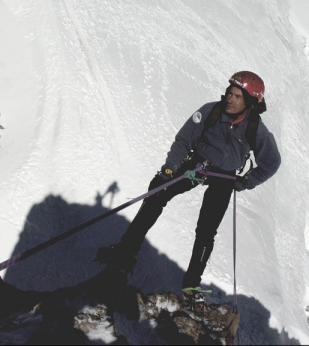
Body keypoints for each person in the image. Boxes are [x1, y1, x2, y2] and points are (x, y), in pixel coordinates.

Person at [96, 71, 281, 306]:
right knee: (157, 191)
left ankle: (192, 283)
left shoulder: (256, 129)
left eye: (237, 96)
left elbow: (272, 162)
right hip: (198, 164)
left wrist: (244, 182)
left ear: (250, 103)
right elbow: (184, 140)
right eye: (229, 93)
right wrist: (170, 169)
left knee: (206, 230)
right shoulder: (210, 111)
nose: (230, 99)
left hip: (224, 176)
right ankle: (126, 251)